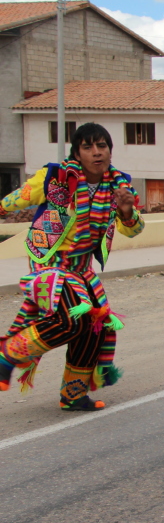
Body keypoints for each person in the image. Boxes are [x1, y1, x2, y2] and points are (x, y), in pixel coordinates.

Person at [0, 123, 143, 411]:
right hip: (49, 264)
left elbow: (133, 229)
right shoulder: (55, 177)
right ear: (77, 153)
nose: (96, 152)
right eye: (88, 147)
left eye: (102, 146)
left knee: (93, 325)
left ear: (110, 150)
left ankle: (73, 395)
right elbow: (14, 200)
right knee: (69, 321)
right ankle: (7, 353)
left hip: (81, 268)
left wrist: (127, 211)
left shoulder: (119, 186)